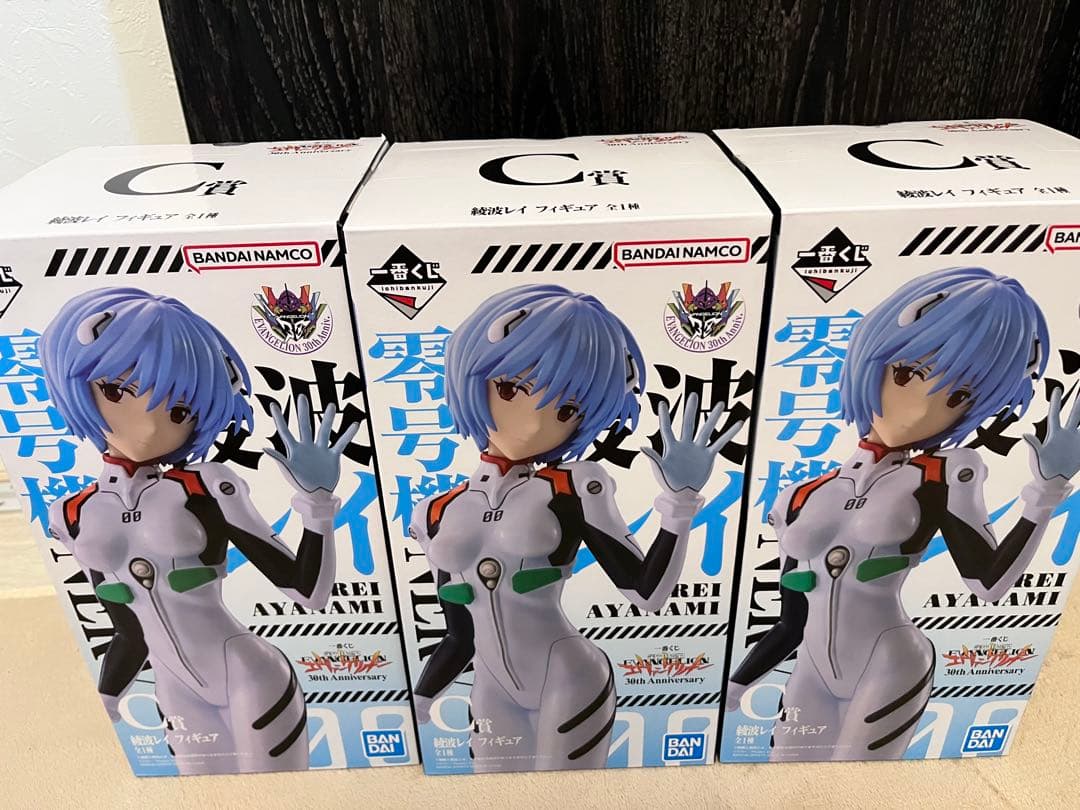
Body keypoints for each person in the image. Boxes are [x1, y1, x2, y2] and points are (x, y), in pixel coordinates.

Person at [726, 266, 1080, 761]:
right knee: (785, 773)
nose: (918, 412)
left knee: (857, 784)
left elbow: (989, 584)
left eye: (958, 397)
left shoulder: (942, 473)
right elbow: (791, 621)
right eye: (907, 375)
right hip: (810, 668)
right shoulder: (800, 495)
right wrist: (736, 684)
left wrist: (1046, 491)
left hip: (890, 662)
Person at [410, 283, 743, 771]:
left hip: (569, 677)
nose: (532, 424)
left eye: (566, 411)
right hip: (490, 687)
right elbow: (459, 635)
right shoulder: (435, 510)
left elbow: (646, 594)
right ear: (470, 375)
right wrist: (420, 698)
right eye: (510, 389)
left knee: (569, 797)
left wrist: (679, 502)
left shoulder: (573, 484)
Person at [41, 287, 358, 774]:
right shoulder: (71, 512)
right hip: (173, 688)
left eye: (178, 411)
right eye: (117, 391)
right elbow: (128, 629)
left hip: (249, 675)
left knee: (277, 799)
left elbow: (308, 593)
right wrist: (106, 696)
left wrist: (317, 505)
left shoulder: (206, 485)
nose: (149, 426)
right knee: (203, 797)